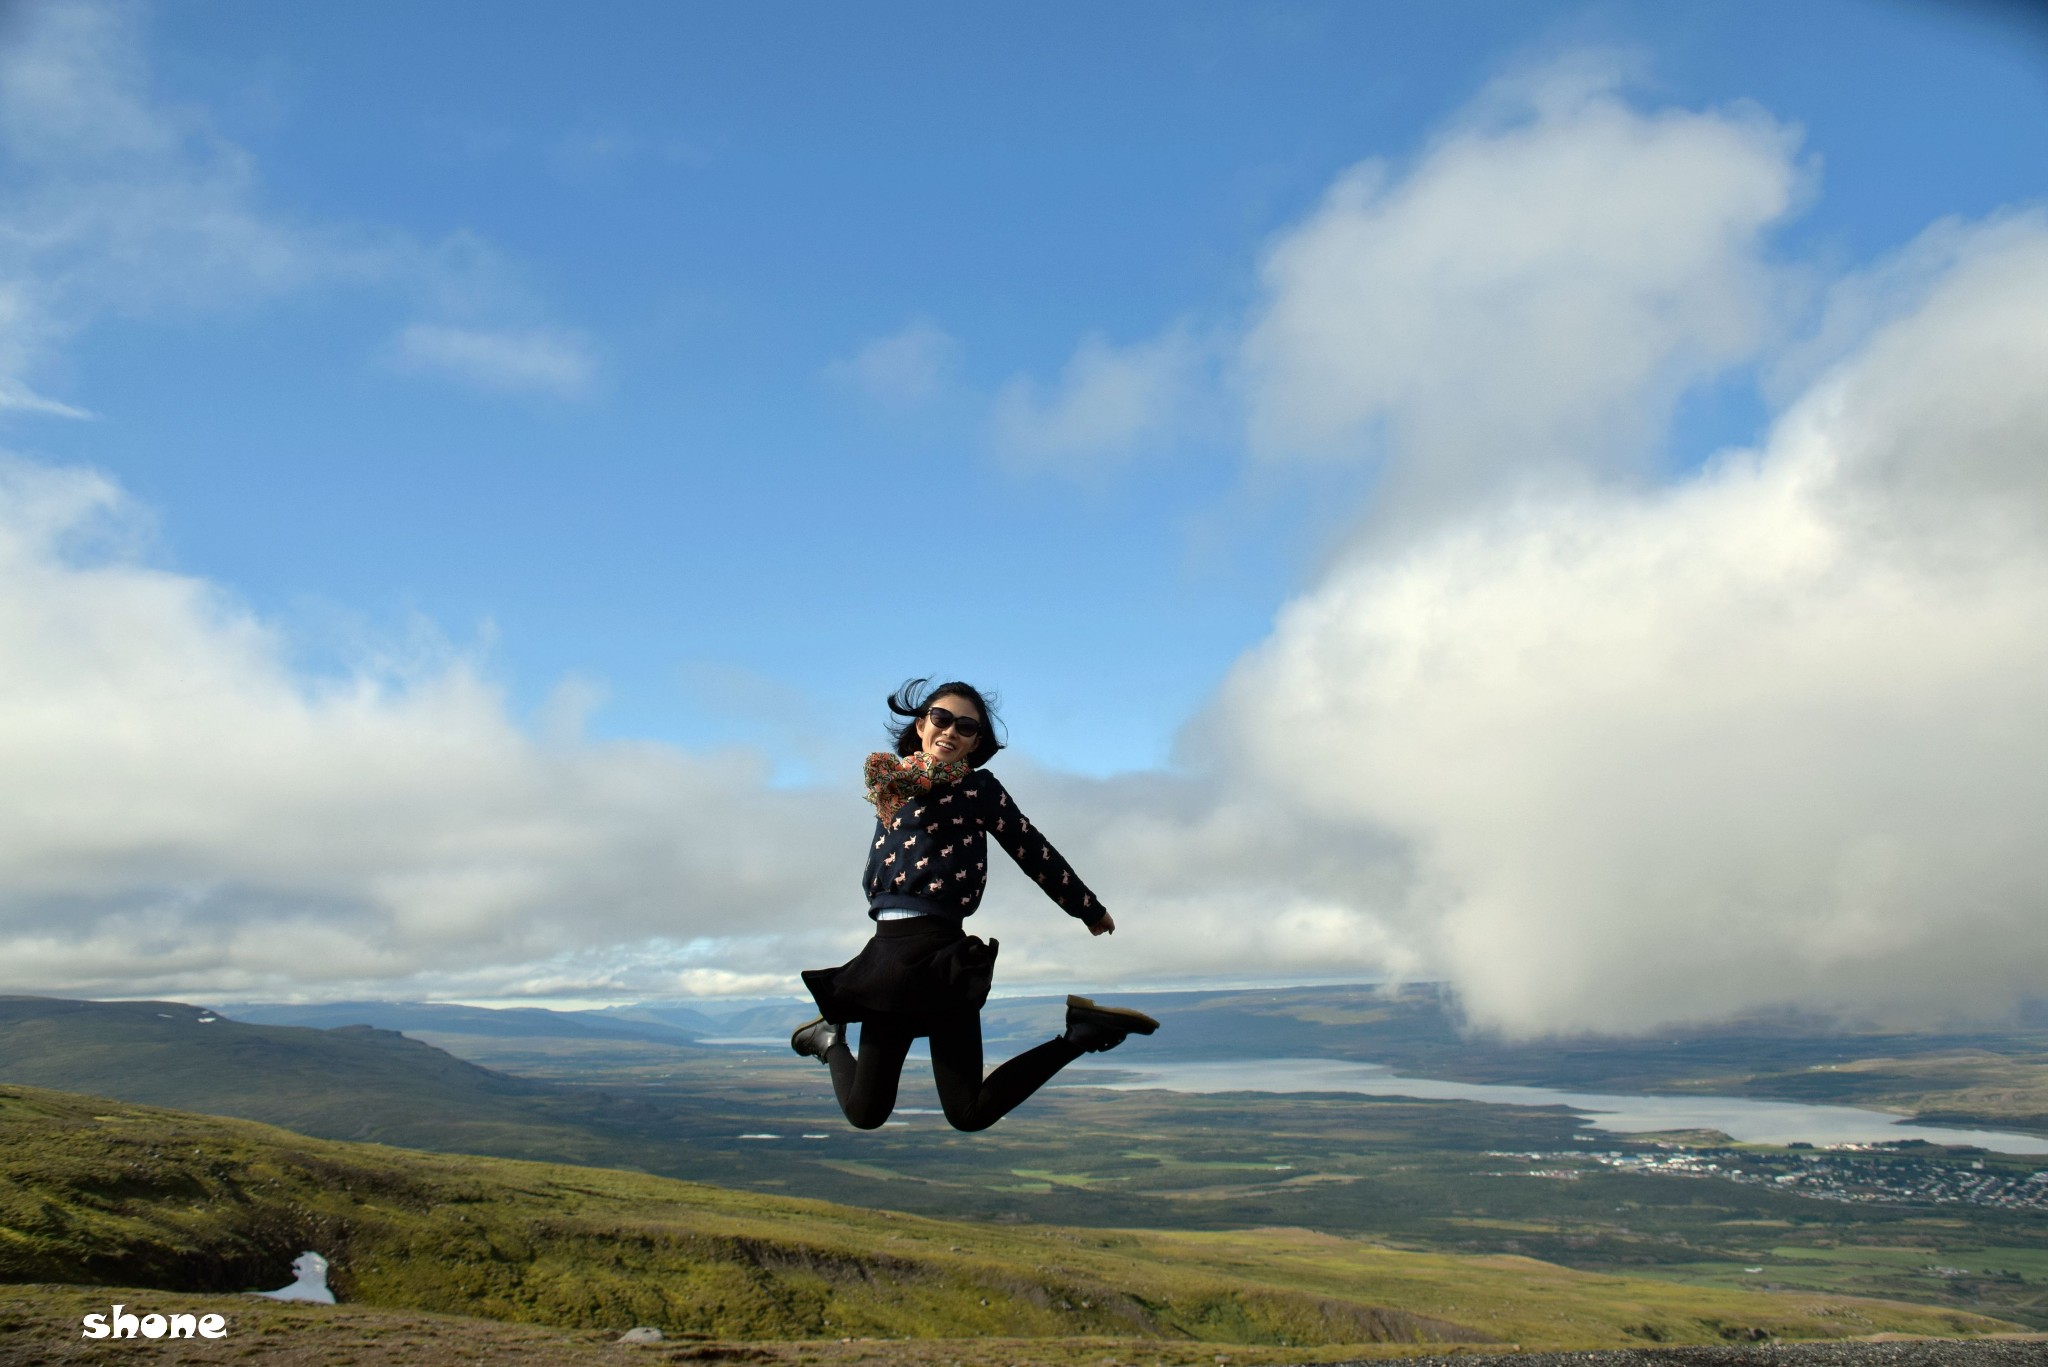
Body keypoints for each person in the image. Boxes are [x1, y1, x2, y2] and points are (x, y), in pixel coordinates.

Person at [792, 678, 1158, 1131]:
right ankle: (829, 1041)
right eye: (941, 719)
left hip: (943, 956)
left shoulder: (979, 790)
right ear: (921, 725)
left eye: (965, 727)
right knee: (866, 1113)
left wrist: (1087, 907)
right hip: (887, 959)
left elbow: (1032, 848)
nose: (951, 731)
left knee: (968, 1112)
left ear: (976, 742)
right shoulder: (891, 783)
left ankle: (1080, 1034)